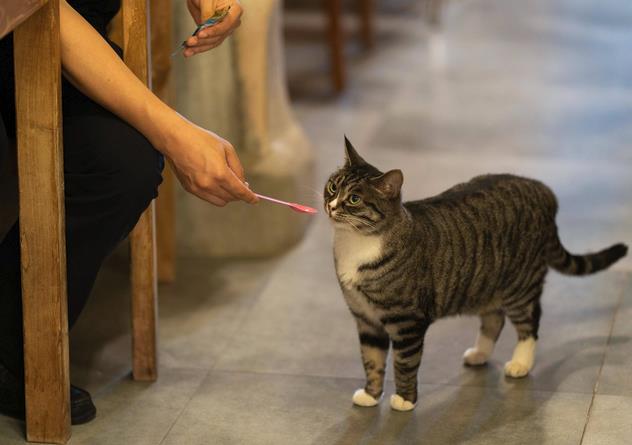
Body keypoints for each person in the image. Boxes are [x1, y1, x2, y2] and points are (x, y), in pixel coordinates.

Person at [0, 0, 257, 424]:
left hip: (76, 23)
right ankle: (17, 347)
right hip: (23, 23)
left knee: (124, 166)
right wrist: (175, 134)